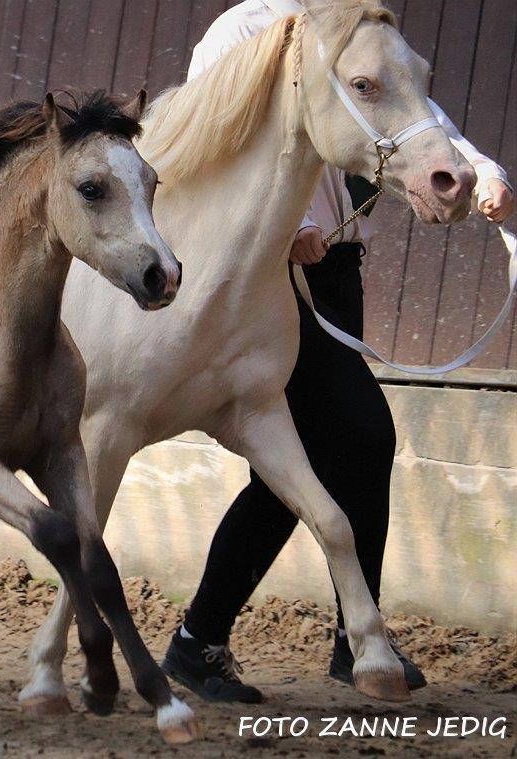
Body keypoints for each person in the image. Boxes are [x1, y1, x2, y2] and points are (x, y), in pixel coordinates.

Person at [161, 0, 515, 704]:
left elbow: (415, 110)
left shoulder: (363, 30)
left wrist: (480, 166)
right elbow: (211, 149)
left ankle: (220, 640)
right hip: (272, 274)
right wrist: (293, 223)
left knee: (304, 462)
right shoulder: (243, 31)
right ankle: (356, 637)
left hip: (337, 271)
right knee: (357, 436)